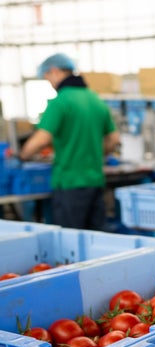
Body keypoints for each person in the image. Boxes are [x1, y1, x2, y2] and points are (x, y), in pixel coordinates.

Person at [19, 53, 120, 231]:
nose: (49, 83)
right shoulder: (95, 100)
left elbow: (41, 139)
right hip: (95, 181)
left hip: (70, 183)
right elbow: (113, 139)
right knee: (94, 237)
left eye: (47, 78)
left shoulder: (60, 102)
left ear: (55, 71)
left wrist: (23, 155)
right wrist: (94, 154)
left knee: (70, 242)